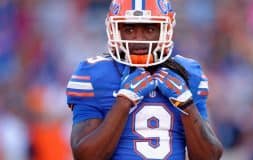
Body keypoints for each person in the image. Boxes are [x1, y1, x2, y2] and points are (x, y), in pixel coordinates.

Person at [66, 0, 223, 159]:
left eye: (149, 29)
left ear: (166, 29)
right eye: (129, 29)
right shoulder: (93, 73)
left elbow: (210, 156)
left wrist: (187, 106)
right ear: (115, 30)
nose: (139, 38)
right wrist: (123, 102)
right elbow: (84, 156)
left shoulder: (188, 72)